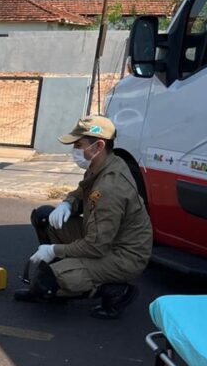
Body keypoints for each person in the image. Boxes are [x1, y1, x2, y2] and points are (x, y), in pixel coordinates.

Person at [14, 115, 153, 319]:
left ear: (98, 146)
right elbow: (82, 191)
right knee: (45, 217)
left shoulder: (110, 187)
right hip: (105, 237)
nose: (74, 151)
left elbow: (96, 246)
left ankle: (114, 291)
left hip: (123, 255)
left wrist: (54, 250)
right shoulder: (103, 164)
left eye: (79, 145)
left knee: (46, 281)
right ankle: (63, 277)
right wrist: (67, 203)